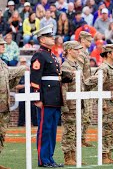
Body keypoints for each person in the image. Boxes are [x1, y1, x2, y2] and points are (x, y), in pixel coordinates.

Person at [30, 24, 64, 167]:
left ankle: (50, 158)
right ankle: (43, 160)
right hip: (45, 97)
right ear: (42, 39)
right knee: (45, 129)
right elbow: (35, 77)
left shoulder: (52, 55)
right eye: (49, 36)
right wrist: (36, 97)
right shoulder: (39, 55)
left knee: (52, 130)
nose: (52, 38)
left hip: (54, 96)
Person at [0, 36, 25, 169]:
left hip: (3, 106)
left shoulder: (3, 63)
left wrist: (21, 70)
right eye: (1, 45)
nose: (4, 46)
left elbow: (9, 79)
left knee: (1, 134)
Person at [60, 41, 83, 166]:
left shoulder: (77, 65)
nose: (79, 51)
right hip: (71, 104)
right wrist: (65, 106)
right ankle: (67, 157)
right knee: (69, 131)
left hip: (79, 103)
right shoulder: (65, 66)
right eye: (76, 49)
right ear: (69, 50)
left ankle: (74, 156)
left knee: (76, 131)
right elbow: (64, 88)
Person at [78, 31, 95, 147]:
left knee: (88, 115)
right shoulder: (80, 53)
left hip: (87, 87)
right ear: (83, 40)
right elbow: (79, 71)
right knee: (82, 115)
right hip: (82, 87)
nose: (90, 42)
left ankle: (82, 138)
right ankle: (78, 139)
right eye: (88, 40)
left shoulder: (85, 52)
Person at [17, 57, 38, 127]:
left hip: (31, 95)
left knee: (33, 111)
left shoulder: (31, 75)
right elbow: (16, 87)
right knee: (22, 111)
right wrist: (25, 85)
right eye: (22, 62)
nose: (23, 64)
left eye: (24, 62)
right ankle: (20, 125)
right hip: (22, 95)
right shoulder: (18, 75)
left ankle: (35, 124)